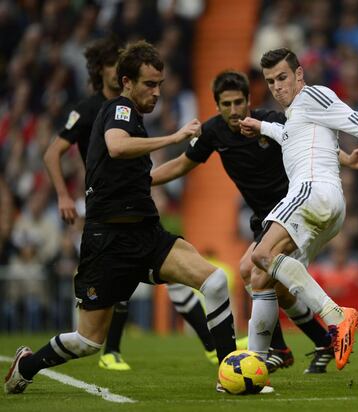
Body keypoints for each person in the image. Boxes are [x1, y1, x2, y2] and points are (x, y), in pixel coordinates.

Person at [4, 40, 237, 396]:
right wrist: (174, 136)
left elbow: (150, 176)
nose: (157, 92)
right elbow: (116, 144)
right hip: (108, 242)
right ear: (127, 82)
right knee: (88, 341)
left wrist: (194, 155)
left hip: (145, 235)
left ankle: (229, 374)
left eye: (159, 84)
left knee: (216, 282)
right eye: (149, 84)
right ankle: (27, 365)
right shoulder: (120, 109)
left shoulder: (134, 119)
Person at [151, 70, 358, 373]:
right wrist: (144, 180)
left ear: (248, 101)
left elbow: (308, 143)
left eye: (238, 102)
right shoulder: (213, 132)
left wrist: (347, 159)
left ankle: (280, 348)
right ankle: (318, 341)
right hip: (264, 218)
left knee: (252, 271)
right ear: (216, 105)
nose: (233, 110)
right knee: (277, 289)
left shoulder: (270, 121)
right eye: (226, 104)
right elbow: (180, 164)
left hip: (292, 210)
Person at [239, 48, 358, 370]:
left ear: (299, 75)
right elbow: (288, 135)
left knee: (260, 255)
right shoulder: (296, 116)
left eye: (283, 77)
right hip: (327, 209)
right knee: (262, 278)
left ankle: (336, 316)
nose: (277, 86)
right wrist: (261, 127)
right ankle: (255, 367)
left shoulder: (313, 96)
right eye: (271, 81)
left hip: (312, 193)